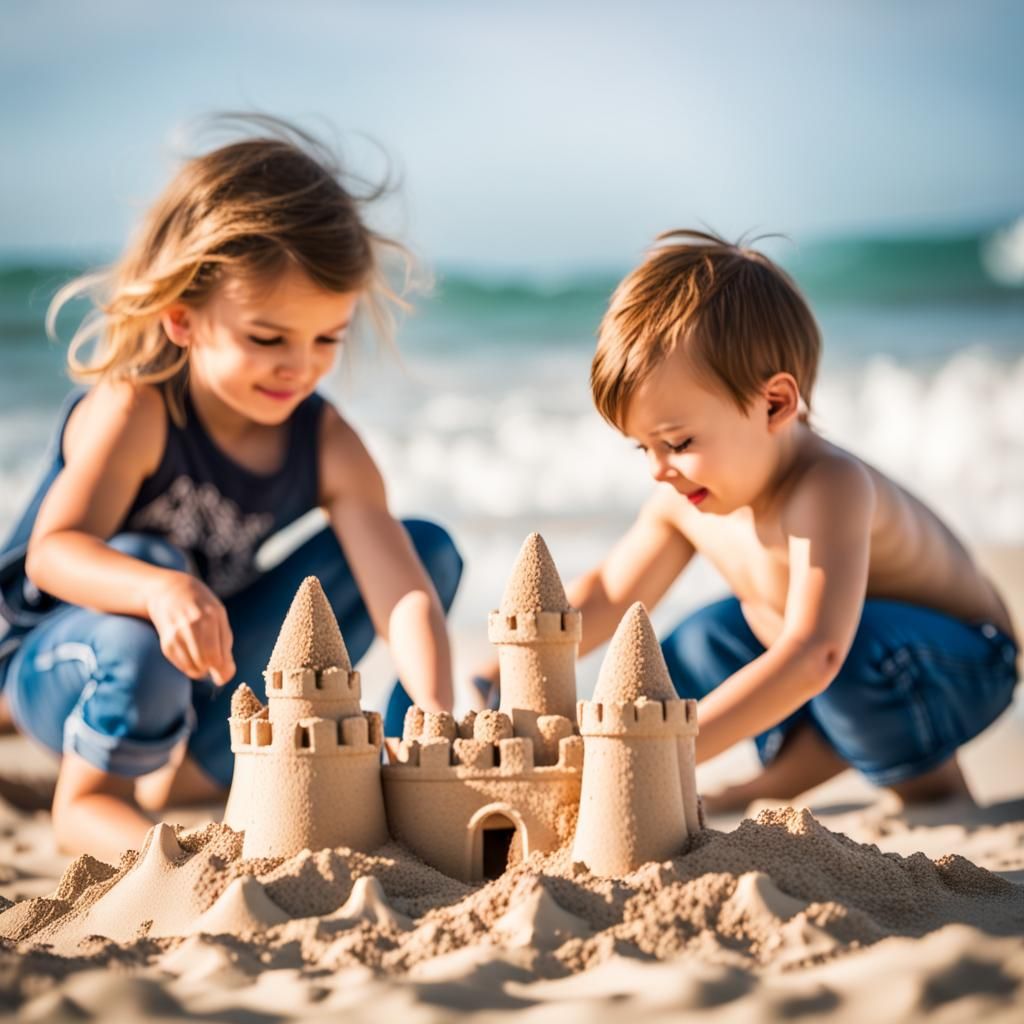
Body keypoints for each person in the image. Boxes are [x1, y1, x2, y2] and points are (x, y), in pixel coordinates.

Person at [0, 119, 462, 861]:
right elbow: (51, 555)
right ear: (182, 318)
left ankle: (193, 767)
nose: (299, 367)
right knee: (152, 560)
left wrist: (439, 706)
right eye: (267, 338)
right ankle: (92, 798)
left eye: (325, 339)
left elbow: (398, 590)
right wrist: (156, 589)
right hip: (72, 661)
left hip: (204, 676)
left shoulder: (324, 441)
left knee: (424, 548)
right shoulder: (138, 407)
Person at [477, 229, 1018, 813]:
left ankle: (930, 785)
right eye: (643, 449)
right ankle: (778, 779)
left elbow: (816, 654)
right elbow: (609, 594)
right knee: (693, 645)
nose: (660, 470)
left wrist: (656, 753)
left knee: (850, 650)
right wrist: (498, 669)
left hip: (958, 662)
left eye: (678, 441)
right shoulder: (682, 497)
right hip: (836, 664)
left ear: (775, 405)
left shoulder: (828, 487)